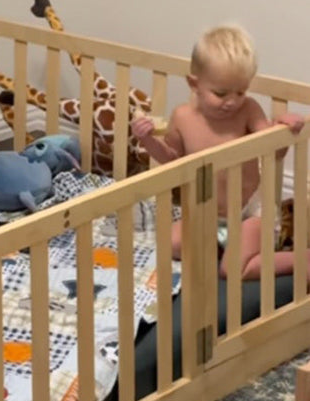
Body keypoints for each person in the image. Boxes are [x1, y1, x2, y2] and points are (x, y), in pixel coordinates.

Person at [130, 24, 306, 282]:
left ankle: (300, 260)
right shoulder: (182, 117)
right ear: (194, 84)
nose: (232, 101)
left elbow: (273, 152)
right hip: (205, 213)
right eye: (221, 93)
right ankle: (222, 246)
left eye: (241, 91)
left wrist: (283, 129)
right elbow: (170, 160)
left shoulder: (248, 110)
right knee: (169, 243)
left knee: (232, 270)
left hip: (250, 212)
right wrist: (146, 139)